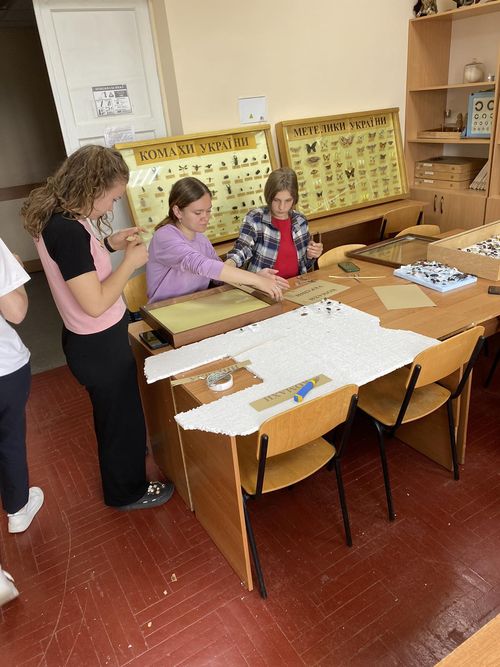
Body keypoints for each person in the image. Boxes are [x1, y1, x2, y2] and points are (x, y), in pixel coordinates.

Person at [22, 145, 173, 511]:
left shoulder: (60, 216)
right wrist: (130, 262)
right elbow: (94, 302)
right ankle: (127, 492)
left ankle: (127, 471)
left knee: (119, 416)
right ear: (92, 187)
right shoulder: (66, 231)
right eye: (112, 198)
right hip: (98, 344)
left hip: (92, 340)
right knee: (119, 421)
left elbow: (78, 265)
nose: (110, 207)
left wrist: (109, 243)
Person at [146, 177, 289, 304]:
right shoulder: (164, 236)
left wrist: (256, 277)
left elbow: (219, 278)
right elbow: (201, 265)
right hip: (166, 310)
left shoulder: (201, 239)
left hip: (198, 305)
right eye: (198, 212)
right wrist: (256, 280)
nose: (205, 217)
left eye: (208, 211)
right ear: (177, 211)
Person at [0, 239, 44, 606]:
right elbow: (16, 311)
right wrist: (13, 270)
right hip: (3, 370)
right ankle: (17, 509)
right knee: (10, 438)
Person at [225, 167, 323, 278]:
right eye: (276, 200)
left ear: (294, 199)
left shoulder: (301, 221)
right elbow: (243, 247)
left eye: (288, 200)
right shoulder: (255, 218)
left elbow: (304, 265)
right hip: (263, 285)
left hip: (296, 284)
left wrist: (310, 255)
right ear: (269, 196)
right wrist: (230, 263)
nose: (282, 207)